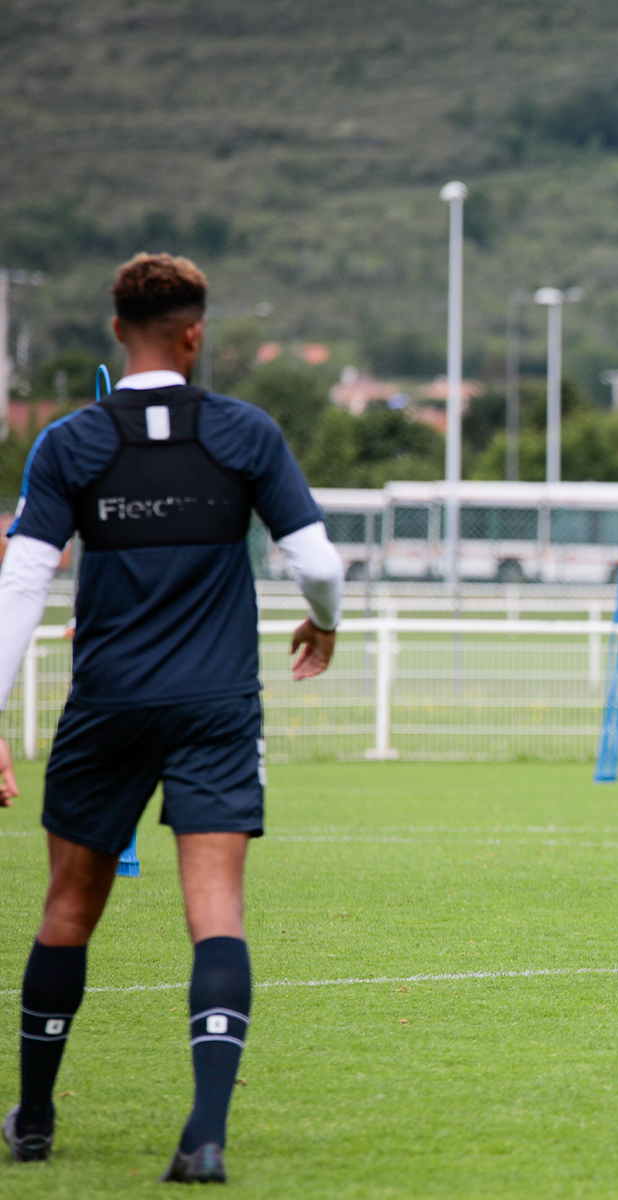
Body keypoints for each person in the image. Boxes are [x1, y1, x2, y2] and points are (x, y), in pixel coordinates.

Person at [0, 253, 346, 1183]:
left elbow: (24, 583)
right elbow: (319, 560)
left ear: (117, 331)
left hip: (106, 705)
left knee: (67, 910)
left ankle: (32, 1120)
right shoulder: (244, 433)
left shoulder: (69, 443)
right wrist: (325, 621)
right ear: (196, 333)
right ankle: (203, 1136)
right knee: (216, 916)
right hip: (215, 708)